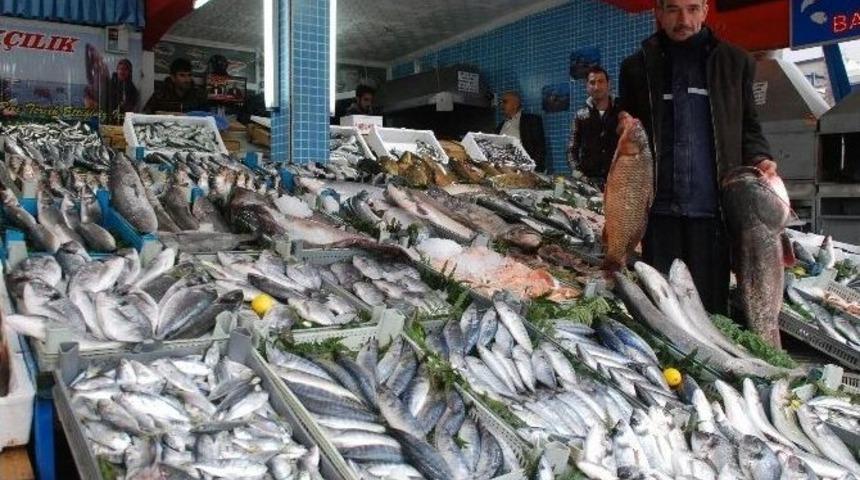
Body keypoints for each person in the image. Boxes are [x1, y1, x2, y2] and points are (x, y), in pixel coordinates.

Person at [618, 0, 775, 315]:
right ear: (658, 13)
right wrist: (620, 124)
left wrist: (760, 157)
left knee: (710, 308)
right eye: (673, 9)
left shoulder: (736, 63)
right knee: (662, 307)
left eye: (692, 9)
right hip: (657, 211)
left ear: (705, 10)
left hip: (713, 211)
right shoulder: (635, 68)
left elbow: (749, 127)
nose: (683, 19)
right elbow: (623, 127)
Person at [568, 66, 621, 190]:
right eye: (592, 82)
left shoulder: (622, 111)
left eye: (601, 81)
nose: (597, 87)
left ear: (609, 84)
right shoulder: (580, 115)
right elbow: (571, 149)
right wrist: (578, 174)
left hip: (619, 180)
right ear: (587, 86)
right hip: (589, 182)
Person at [495, 91, 547, 172]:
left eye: (504, 102)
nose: (501, 105)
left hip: (525, 171)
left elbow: (540, 148)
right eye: (500, 102)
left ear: (515, 104)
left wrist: (531, 169)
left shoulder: (531, 121)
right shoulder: (499, 127)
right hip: (503, 172)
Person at [107, 59, 139, 123]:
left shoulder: (132, 89)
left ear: (129, 72)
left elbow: (133, 107)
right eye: (120, 69)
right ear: (117, 70)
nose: (122, 71)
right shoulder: (109, 85)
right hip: (109, 119)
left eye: (125, 69)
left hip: (124, 120)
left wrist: (126, 106)